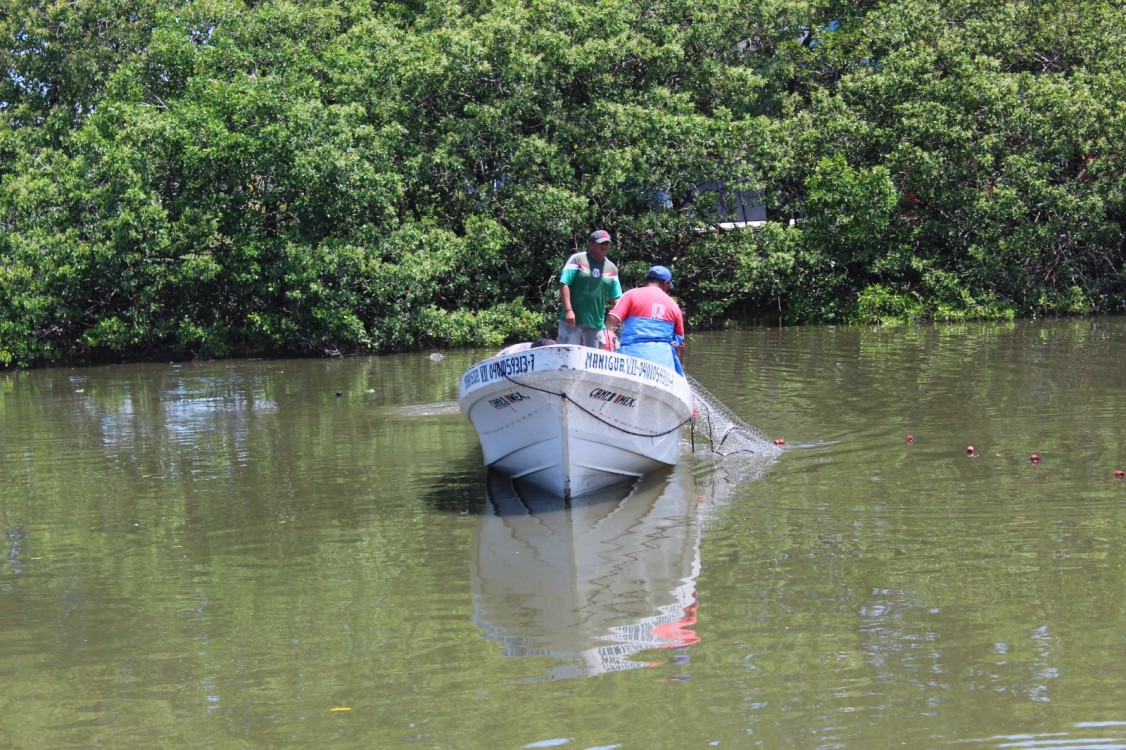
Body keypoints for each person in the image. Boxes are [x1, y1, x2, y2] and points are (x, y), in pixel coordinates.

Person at [605, 265, 685, 375]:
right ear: (666, 283)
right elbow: (679, 345)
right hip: (663, 366)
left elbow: (611, 321)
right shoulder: (674, 305)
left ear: (647, 280)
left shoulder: (631, 295)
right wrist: (680, 372)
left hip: (630, 361)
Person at [557, 229, 622, 348]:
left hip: (596, 323)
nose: (604, 246)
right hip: (572, 320)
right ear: (590, 244)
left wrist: (620, 317)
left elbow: (616, 298)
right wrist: (568, 310)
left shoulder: (612, 268)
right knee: (567, 357)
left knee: (594, 362)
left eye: (607, 243)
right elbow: (564, 283)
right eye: (601, 243)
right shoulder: (578, 259)